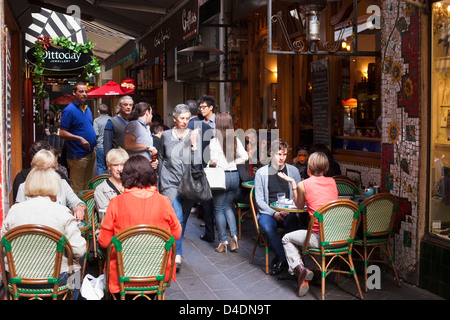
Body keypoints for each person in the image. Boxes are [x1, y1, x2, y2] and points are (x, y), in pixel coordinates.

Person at [98, 155, 181, 296]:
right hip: (157, 275)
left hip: (122, 276)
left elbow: (104, 241)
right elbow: (177, 234)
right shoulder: (164, 201)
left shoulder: (116, 203)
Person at [2, 168, 86, 290]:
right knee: (77, 266)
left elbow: (3, 244)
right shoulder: (62, 212)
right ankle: (74, 295)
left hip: (17, 279)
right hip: (56, 279)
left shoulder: (14, 211)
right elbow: (79, 250)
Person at [278, 151, 338, 296]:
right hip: (337, 236)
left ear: (309, 167)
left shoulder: (303, 184)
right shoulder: (333, 181)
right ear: (325, 168)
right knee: (308, 235)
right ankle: (316, 273)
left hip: (319, 237)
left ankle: (301, 270)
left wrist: (293, 184)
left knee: (286, 238)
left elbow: (299, 206)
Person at [158, 104, 199, 269]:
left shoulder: (193, 134)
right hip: (170, 183)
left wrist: (194, 145)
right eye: (182, 118)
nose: (185, 122)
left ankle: (171, 244)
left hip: (187, 184)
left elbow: (197, 163)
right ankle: (177, 255)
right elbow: (161, 156)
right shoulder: (166, 135)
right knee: (178, 217)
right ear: (174, 119)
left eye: (187, 118)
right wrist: (161, 178)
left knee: (183, 218)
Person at [254, 138, 301, 278]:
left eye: (284, 154)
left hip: (289, 211)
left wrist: (288, 210)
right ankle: (284, 258)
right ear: (271, 153)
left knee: (293, 223)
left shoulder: (293, 171)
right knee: (267, 227)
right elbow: (259, 200)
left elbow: (298, 195)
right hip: (268, 212)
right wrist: (274, 213)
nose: (282, 158)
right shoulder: (262, 173)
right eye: (278, 154)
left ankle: (284, 261)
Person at [209, 113, 248, 253]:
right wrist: (232, 163)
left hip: (221, 177)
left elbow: (213, 161)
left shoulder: (215, 141)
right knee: (228, 207)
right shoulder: (236, 140)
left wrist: (216, 163)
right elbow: (245, 157)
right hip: (234, 177)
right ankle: (234, 235)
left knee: (218, 209)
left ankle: (222, 240)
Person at [15, 149, 86, 221]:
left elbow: (76, 201)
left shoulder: (62, 184)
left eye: (53, 167)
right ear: (37, 170)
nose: (51, 171)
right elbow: (17, 213)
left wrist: (80, 207)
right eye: (47, 168)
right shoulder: (24, 187)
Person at [59, 82, 97, 193]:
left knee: (87, 186)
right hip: (78, 155)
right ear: (74, 93)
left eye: (86, 91)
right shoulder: (69, 110)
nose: (84, 94)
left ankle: (86, 209)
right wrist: (79, 138)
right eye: (81, 91)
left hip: (90, 153)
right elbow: (62, 133)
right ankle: (77, 210)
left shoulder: (87, 109)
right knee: (77, 188)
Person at [186, 99, 215, 243]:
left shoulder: (187, 127)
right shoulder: (207, 127)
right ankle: (210, 232)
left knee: (185, 198)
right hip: (206, 166)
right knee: (207, 200)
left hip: (191, 165)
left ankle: (179, 230)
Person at [94, 148, 129, 214]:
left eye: (122, 165)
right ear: (109, 166)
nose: (119, 169)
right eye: (115, 165)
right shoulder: (101, 189)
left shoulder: (132, 184)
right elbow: (107, 215)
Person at [93, 103, 112, 175]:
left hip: (100, 146)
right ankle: (111, 183)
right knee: (110, 166)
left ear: (99, 111)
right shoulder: (112, 119)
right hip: (110, 147)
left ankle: (100, 184)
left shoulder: (96, 120)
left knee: (100, 166)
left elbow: (96, 134)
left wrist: (94, 146)